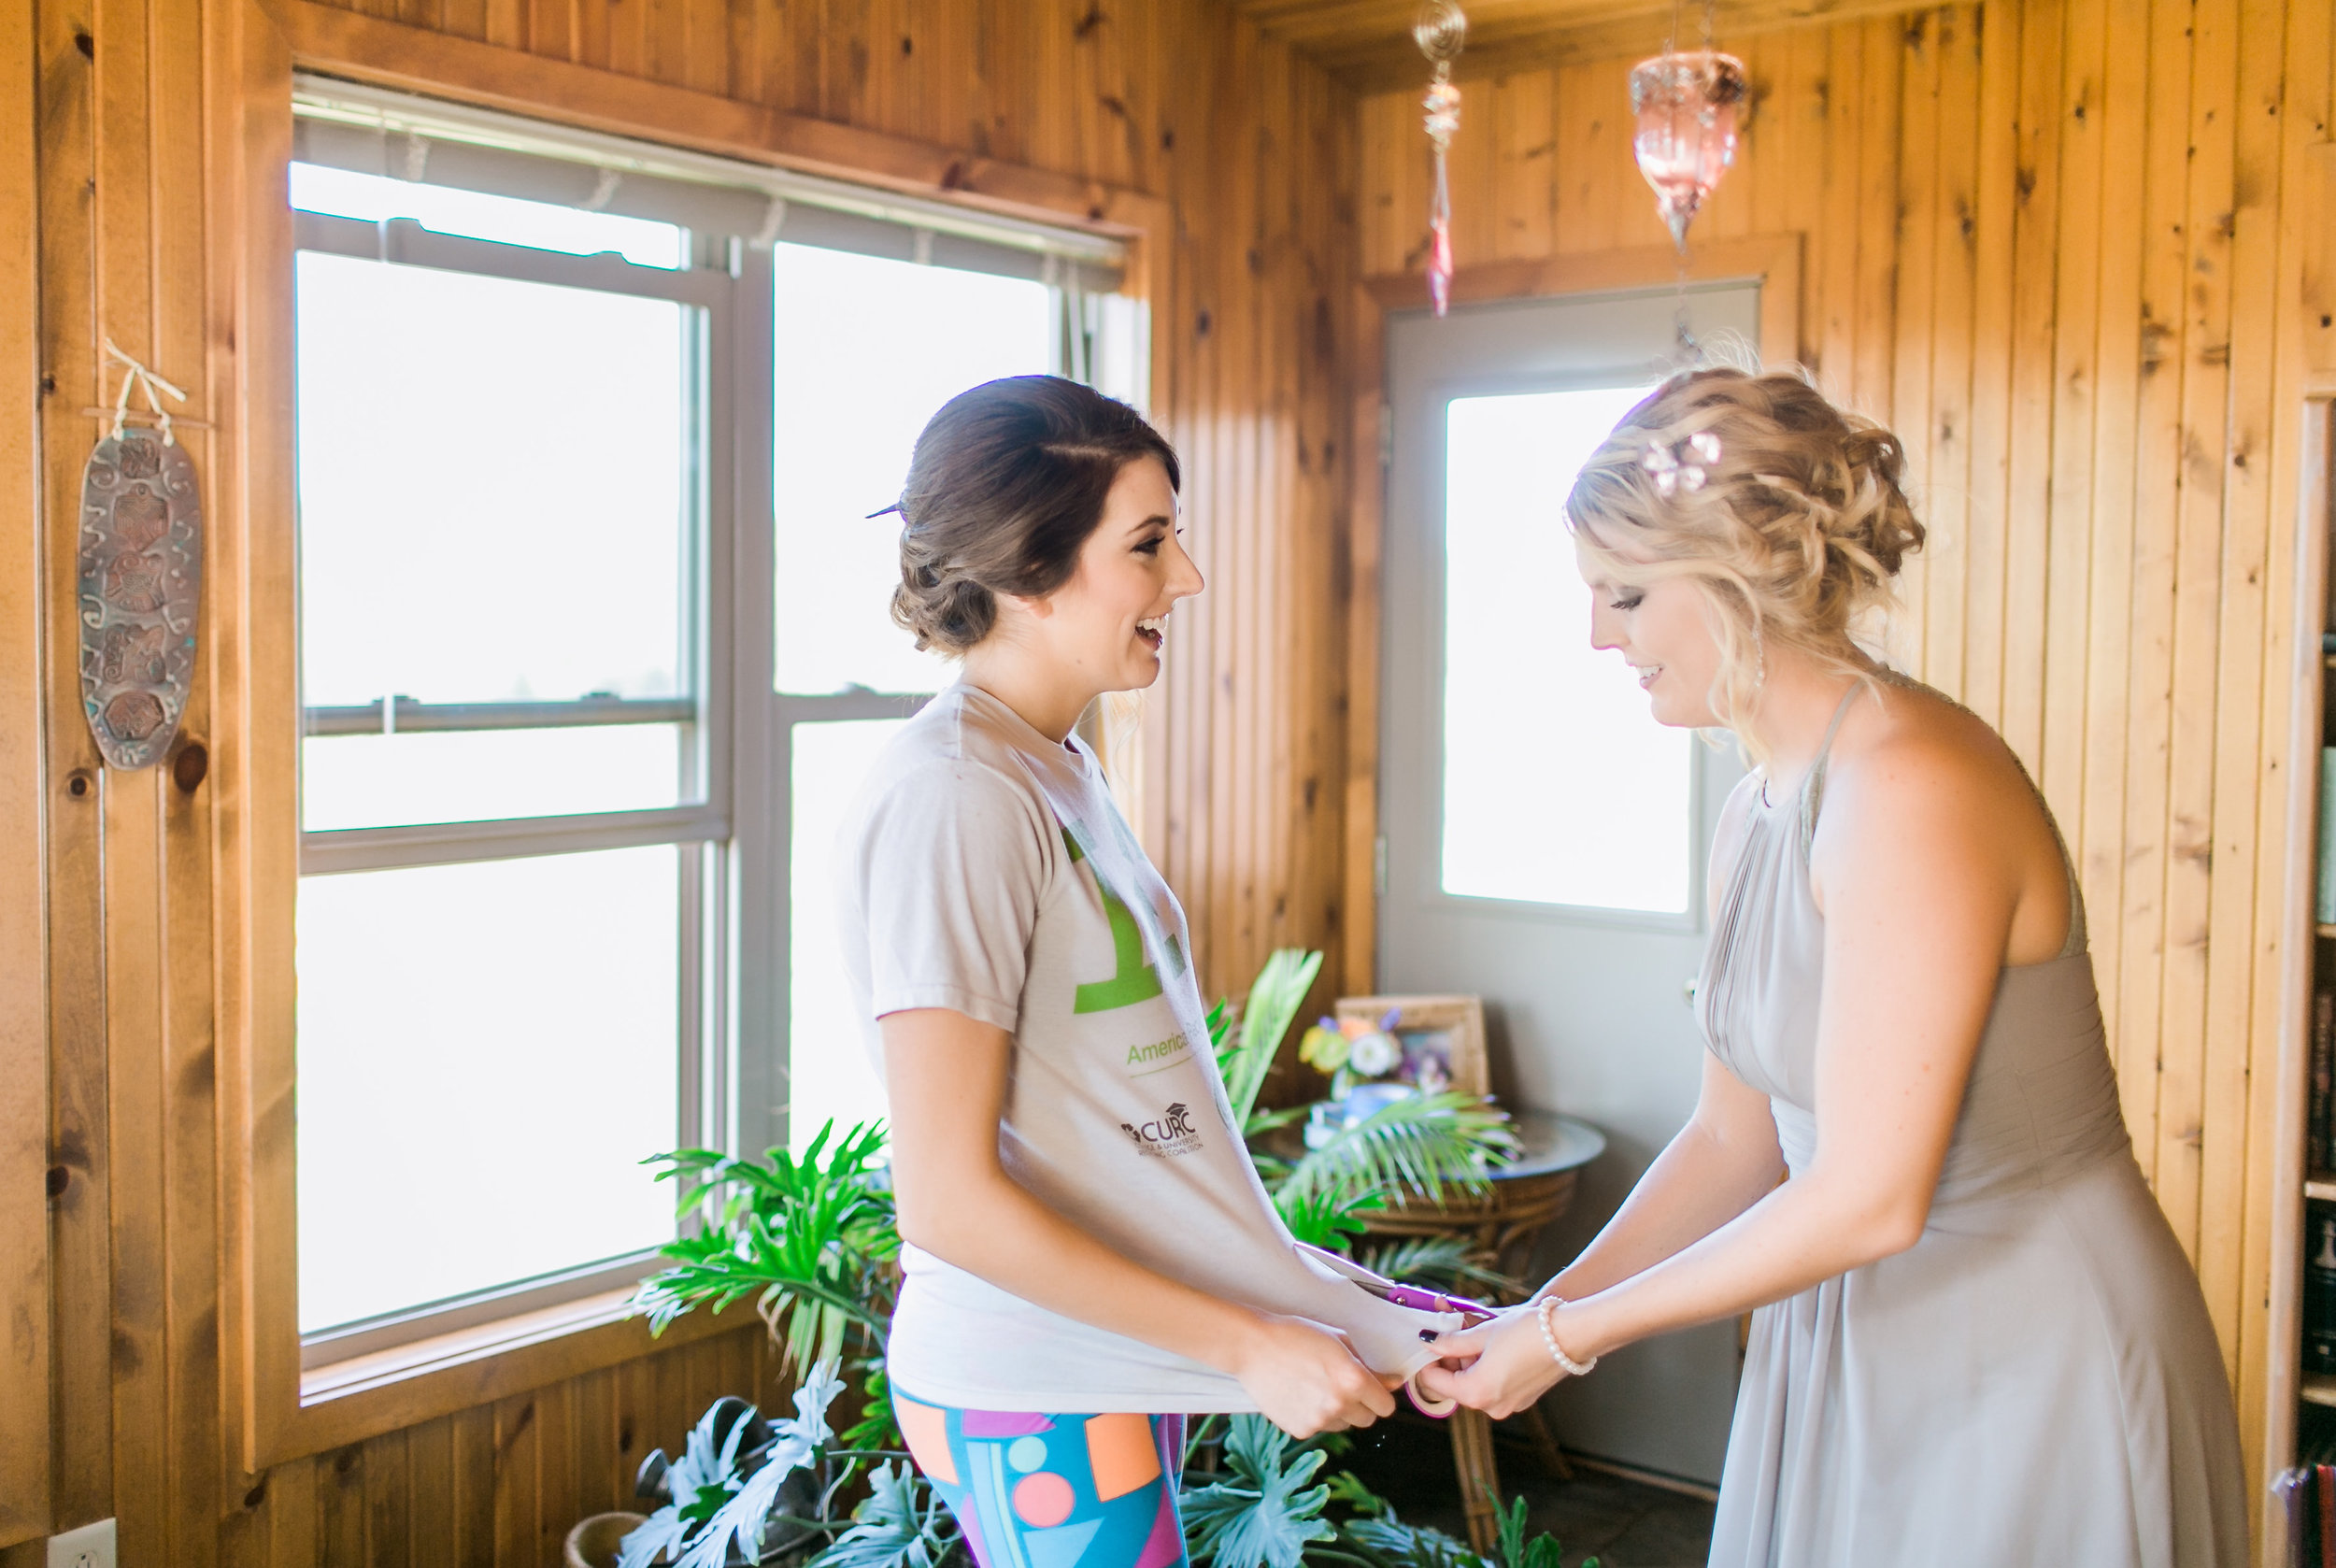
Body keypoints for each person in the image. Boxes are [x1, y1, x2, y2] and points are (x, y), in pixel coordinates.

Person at [1415, 367, 2247, 1566]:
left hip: (2028, 1345)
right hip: (1853, 1328)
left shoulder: (1910, 788)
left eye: (1627, 596)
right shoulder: (1757, 806)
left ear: (1739, 580)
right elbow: (1730, 1140)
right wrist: (1540, 1312)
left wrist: (1572, 1340)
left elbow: (1868, 1192)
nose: (1599, 636)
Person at [834, 376, 1459, 1568]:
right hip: (1037, 1377)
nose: (1188, 577)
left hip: (1098, 1358)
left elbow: (1109, 1142)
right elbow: (948, 1201)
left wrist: (1327, 1297)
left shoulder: (1049, 764)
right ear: (1029, 570)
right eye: (1150, 543)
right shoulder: (956, 796)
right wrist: (1248, 1346)